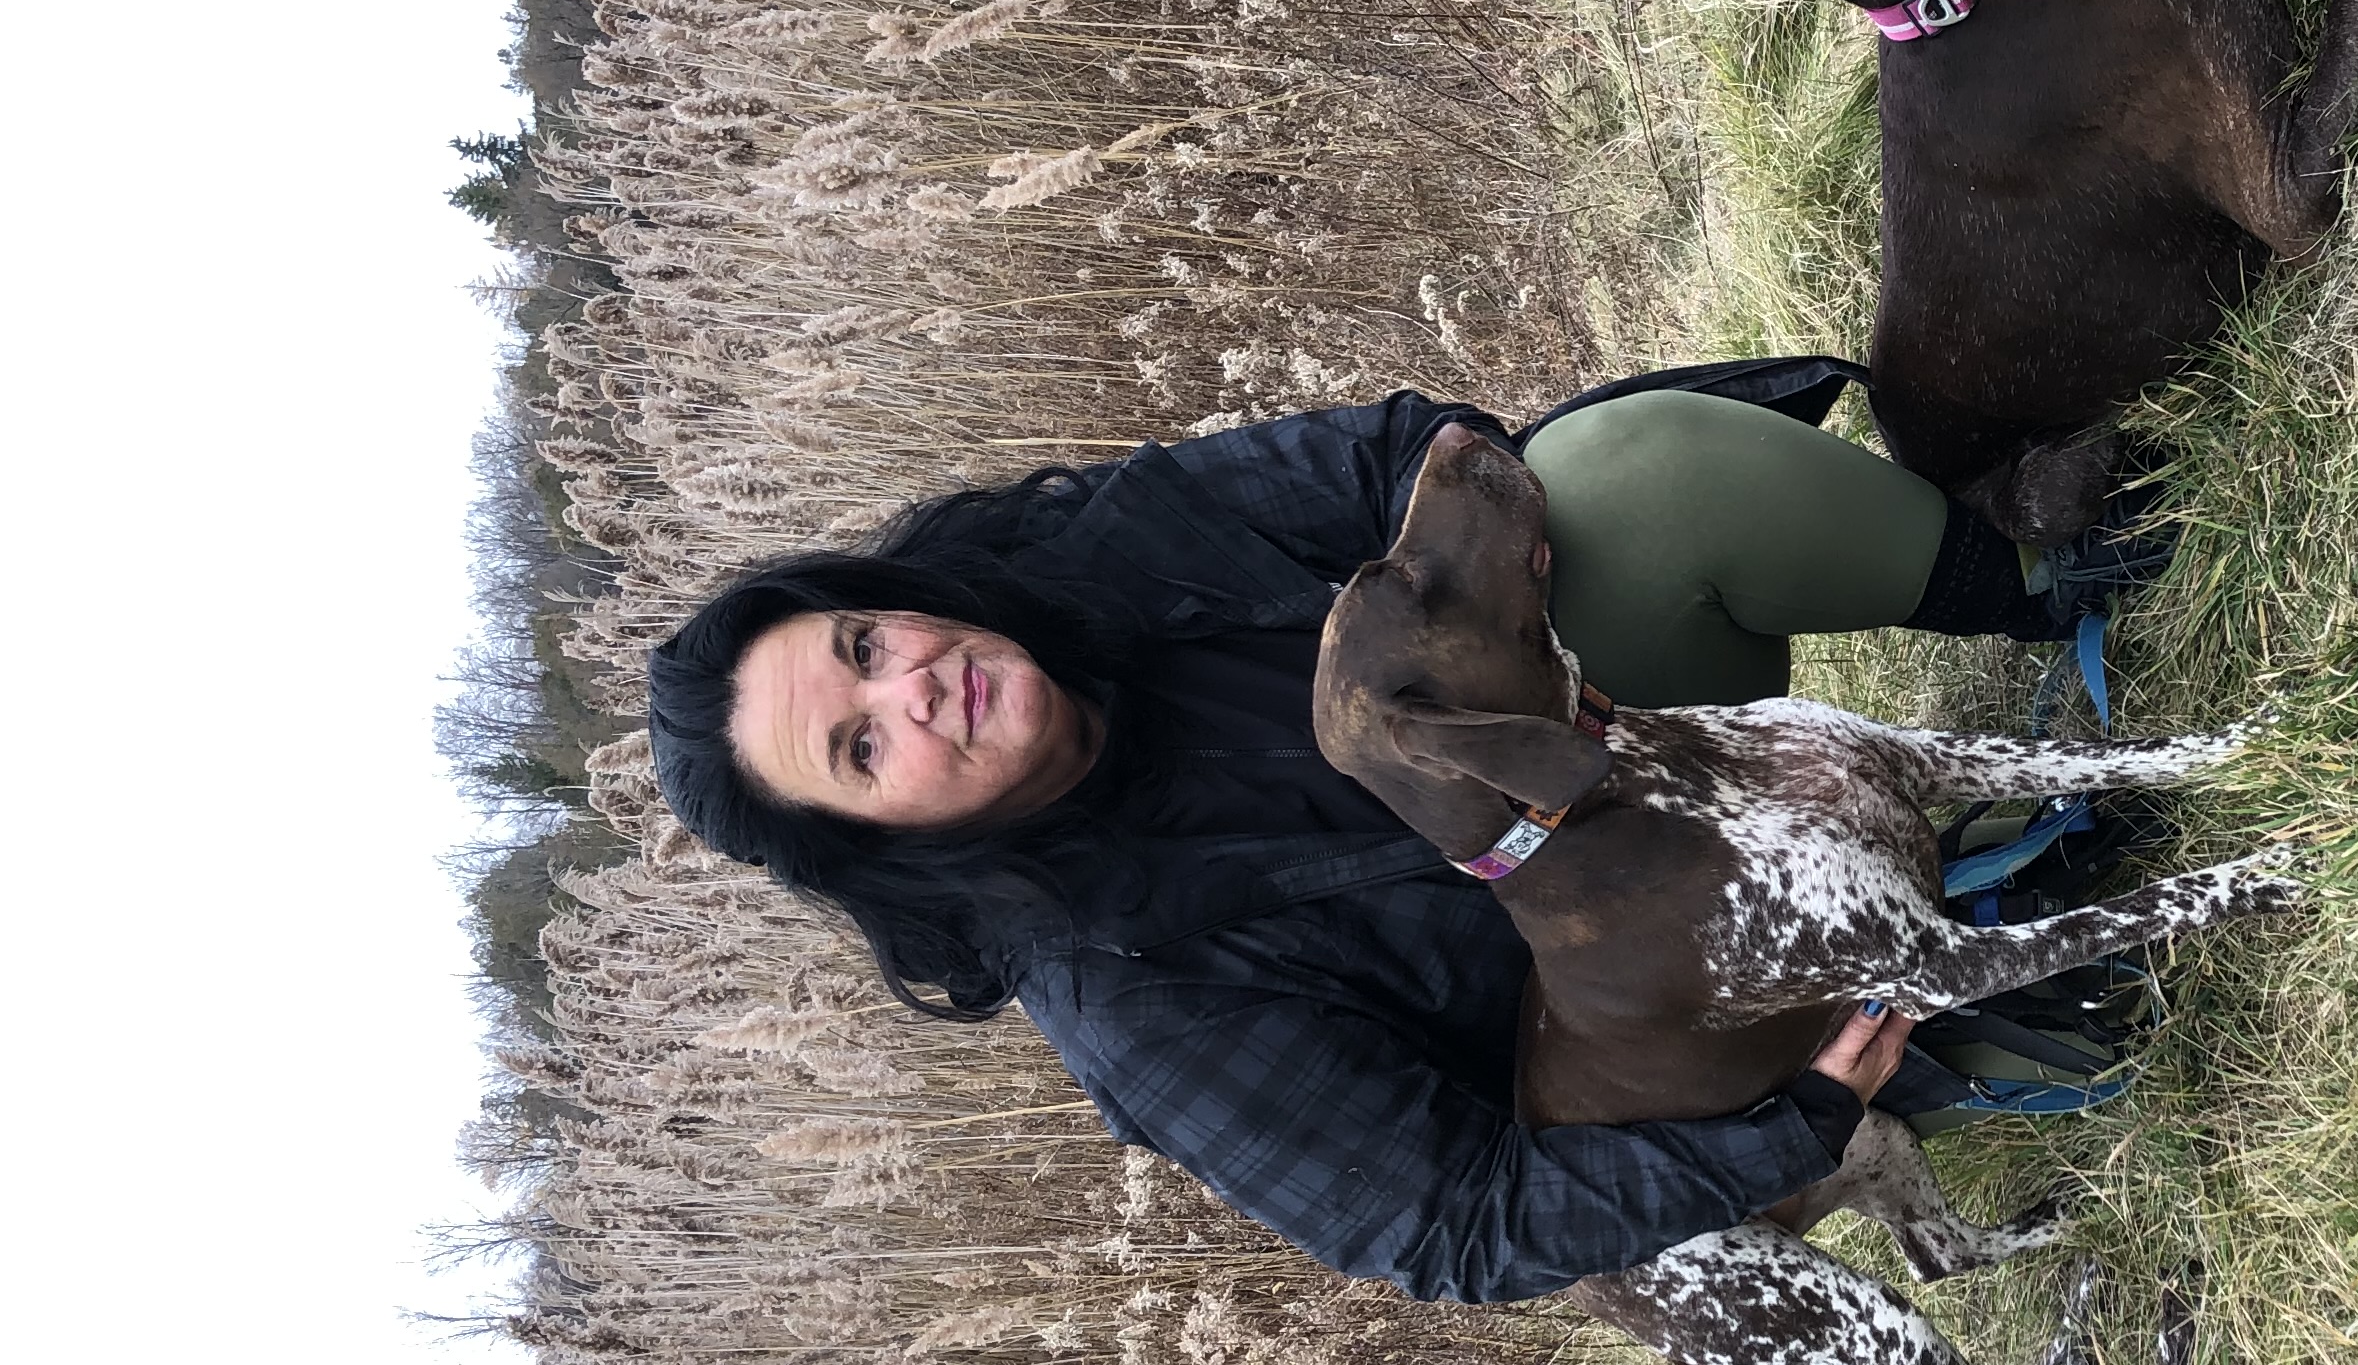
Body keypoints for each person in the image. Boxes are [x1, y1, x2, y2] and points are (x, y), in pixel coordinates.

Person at [641, 367, 2130, 1302]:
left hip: (1642, 754)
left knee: (1626, 477)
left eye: (857, 641)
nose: (913, 686)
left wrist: (1511, 595)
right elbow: (1453, 1228)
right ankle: (1941, 1052)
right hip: (1666, 1022)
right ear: (882, 845)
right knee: (2060, 1014)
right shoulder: (1133, 1001)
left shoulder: (1076, 553)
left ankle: (2049, 592)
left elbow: (1391, 457)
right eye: (860, 747)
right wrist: (1790, 1125)